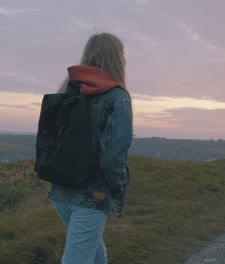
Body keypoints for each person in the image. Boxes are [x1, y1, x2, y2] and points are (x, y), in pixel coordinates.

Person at [49, 33, 133, 264]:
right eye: (122, 54)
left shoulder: (67, 90)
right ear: (116, 58)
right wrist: (118, 190)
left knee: (93, 252)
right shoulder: (117, 96)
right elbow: (113, 155)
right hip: (93, 194)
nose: (125, 59)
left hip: (60, 190)